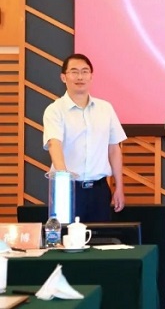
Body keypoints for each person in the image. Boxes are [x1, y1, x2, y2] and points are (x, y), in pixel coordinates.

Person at [42, 53, 127, 222]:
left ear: (91, 76)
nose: (80, 77)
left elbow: (114, 149)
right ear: (63, 77)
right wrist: (64, 180)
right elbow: (54, 144)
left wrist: (119, 186)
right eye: (74, 72)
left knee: (100, 237)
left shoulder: (105, 108)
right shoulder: (55, 110)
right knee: (67, 236)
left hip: (99, 190)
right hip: (69, 188)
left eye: (84, 71)